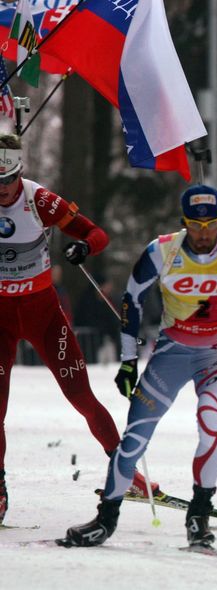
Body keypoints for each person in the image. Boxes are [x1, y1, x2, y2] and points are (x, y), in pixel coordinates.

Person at [62, 184, 217, 548]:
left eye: (211, 224)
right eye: (195, 225)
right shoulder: (162, 251)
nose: (203, 233)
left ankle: (199, 518)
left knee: (211, 423)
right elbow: (132, 299)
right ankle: (105, 520)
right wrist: (128, 360)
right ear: (184, 223)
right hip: (171, 355)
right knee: (134, 437)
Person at [0, 134, 130, 524]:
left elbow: (98, 234)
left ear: (19, 174)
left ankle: (126, 469)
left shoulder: (38, 199)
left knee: (81, 396)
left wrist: (84, 248)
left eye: (6, 182)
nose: (2, 191)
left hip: (43, 314)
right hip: (1, 318)